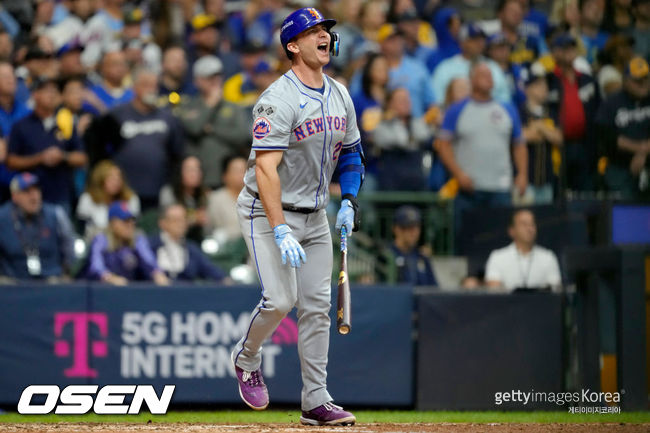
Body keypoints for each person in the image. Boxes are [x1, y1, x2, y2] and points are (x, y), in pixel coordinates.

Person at [231, 7, 364, 426]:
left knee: (316, 307)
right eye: (314, 31)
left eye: (326, 29)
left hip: (316, 212)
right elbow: (266, 170)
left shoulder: (340, 94)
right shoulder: (277, 99)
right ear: (293, 44)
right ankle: (246, 356)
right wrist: (280, 228)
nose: (324, 35)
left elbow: (353, 155)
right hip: (264, 209)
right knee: (282, 299)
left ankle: (315, 400)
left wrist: (349, 201)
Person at [435, 62, 528, 238]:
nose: (488, 78)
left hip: (501, 188)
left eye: (490, 75)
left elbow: (519, 144)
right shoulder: (456, 110)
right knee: (465, 240)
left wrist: (522, 174)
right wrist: (458, 174)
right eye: (483, 74)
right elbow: (443, 145)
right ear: (472, 79)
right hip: (468, 189)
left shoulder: (507, 109)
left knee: (499, 240)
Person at [85, 69, 184, 209]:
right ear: (135, 87)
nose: (152, 90)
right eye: (146, 85)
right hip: (122, 193)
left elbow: (177, 152)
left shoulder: (168, 117)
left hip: (158, 191)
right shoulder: (116, 116)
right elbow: (98, 150)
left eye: (154, 85)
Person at [7, 76, 87, 212]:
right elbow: (11, 161)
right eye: (46, 91)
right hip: (29, 195)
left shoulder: (66, 123)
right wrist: (40, 158)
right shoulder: (21, 126)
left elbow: (82, 158)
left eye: (54, 91)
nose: (52, 95)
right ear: (35, 95)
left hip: (60, 195)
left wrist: (63, 156)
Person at [176, 55, 250, 189]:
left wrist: (212, 129)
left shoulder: (233, 106)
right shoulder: (188, 106)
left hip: (228, 179)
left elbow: (242, 136)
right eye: (209, 78)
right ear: (198, 81)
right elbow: (194, 128)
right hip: (198, 180)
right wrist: (210, 105)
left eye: (218, 77)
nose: (215, 81)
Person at [546, 33, 600, 192]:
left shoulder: (587, 79)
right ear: (555, 52)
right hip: (558, 146)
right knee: (559, 192)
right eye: (564, 48)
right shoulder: (548, 80)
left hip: (585, 145)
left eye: (571, 47)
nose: (569, 51)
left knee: (585, 192)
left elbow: (598, 110)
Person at [0, 172, 75, 282]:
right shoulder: (2, 218)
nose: (34, 197)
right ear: (15, 196)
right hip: (12, 283)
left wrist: (65, 273)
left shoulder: (56, 215)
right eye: (27, 192)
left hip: (51, 281)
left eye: (36, 190)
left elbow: (69, 250)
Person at [596, 57, 650, 198]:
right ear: (625, 81)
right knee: (623, 209)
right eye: (638, 80)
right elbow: (606, 135)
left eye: (646, 79)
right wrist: (640, 149)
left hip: (647, 164)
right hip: (619, 166)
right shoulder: (612, 102)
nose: (643, 84)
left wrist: (643, 151)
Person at [85, 200, 169, 286]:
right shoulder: (101, 239)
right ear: (113, 223)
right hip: (101, 291)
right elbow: (96, 265)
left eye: (132, 221)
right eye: (125, 221)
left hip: (128, 290)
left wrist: (157, 273)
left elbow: (148, 259)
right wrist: (109, 277)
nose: (130, 225)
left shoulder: (137, 239)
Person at [431, 23, 512, 105]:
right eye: (474, 39)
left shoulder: (493, 66)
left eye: (482, 39)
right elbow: (438, 101)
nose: (480, 43)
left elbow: (505, 99)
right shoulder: (445, 68)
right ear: (462, 42)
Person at [485, 208, 561, 291]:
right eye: (524, 224)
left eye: (532, 224)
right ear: (511, 231)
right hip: (507, 304)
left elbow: (555, 291)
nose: (529, 229)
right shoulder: (498, 257)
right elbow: (494, 292)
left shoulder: (548, 257)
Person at [148, 204, 227, 282]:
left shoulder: (191, 248)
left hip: (185, 292)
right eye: (176, 220)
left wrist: (225, 280)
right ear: (163, 223)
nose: (181, 224)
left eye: (183, 220)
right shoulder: (150, 246)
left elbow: (209, 269)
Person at [520, 62, 563, 204]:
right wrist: (546, 132)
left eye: (545, 84)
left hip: (548, 179)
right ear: (527, 88)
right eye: (538, 84)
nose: (544, 88)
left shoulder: (552, 111)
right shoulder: (519, 111)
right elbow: (522, 136)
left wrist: (539, 126)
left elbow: (559, 138)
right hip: (525, 179)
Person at [374, 87, 433, 191]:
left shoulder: (417, 123)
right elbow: (401, 141)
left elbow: (425, 136)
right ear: (390, 104)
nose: (406, 102)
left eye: (407, 99)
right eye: (401, 100)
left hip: (416, 183)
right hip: (392, 184)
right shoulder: (382, 126)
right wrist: (395, 121)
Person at [76, 160, 140, 240]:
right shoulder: (88, 198)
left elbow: (133, 227)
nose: (116, 182)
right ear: (100, 180)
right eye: (111, 179)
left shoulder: (130, 199)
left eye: (118, 178)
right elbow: (81, 229)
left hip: (123, 243)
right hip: (94, 241)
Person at [159, 155, 209, 243]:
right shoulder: (169, 193)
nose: (194, 174)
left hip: (199, 239)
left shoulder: (204, 194)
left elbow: (207, 221)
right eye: (190, 170)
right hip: (174, 239)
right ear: (180, 172)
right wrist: (194, 218)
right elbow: (171, 220)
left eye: (198, 169)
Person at [390, 205, 437, 286]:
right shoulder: (387, 255)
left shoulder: (422, 257)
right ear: (397, 229)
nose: (414, 233)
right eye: (409, 227)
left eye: (417, 227)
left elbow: (434, 290)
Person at [207, 155, 246, 242]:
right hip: (227, 247)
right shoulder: (216, 198)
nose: (242, 175)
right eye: (237, 171)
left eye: (244, 170)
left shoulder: (255, 198)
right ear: (225, 176)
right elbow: (214, 228)